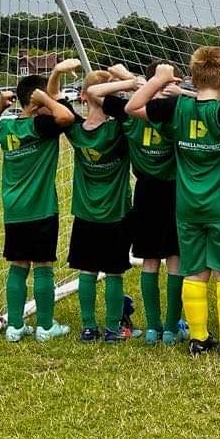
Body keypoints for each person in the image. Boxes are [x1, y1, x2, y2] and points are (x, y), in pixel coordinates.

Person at [126, 47, 220, 358]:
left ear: (191, 76)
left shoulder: (178, 108)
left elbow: (133, 106)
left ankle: (198, 339)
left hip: (188, 206)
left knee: (194, 270)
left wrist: (158, 80)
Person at [87, 60, 196, 345]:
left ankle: (153, 328)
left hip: (146, 193)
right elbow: (211, 99)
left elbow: (94, 91)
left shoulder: (130, 112)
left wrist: (130, 82)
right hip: (176, 192)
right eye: (172, 81)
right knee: (175, 260)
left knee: (151, 261)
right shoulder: (178, 110)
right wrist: (155, 85)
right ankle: (171, 328)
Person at [0, 67, 76, 341]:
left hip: (14, 211)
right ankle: (46, 327)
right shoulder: (42, 127)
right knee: (44, 265)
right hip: (41, 209)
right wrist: (47, 100)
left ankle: (14, 327)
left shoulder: (7, 128)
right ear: (37, 102)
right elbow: (66, 116)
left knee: (18, 264)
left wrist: (0, 106)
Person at [63, 67, 135, 342]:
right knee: (114, 272)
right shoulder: (121, 128)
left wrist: (58, 71)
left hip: (84, 213)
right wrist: (127, 81)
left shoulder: (75, 131)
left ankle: (88, 327)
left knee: (87, 271)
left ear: (83, 96)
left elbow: (55, 98)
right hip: (116, 213)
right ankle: (113, 329)